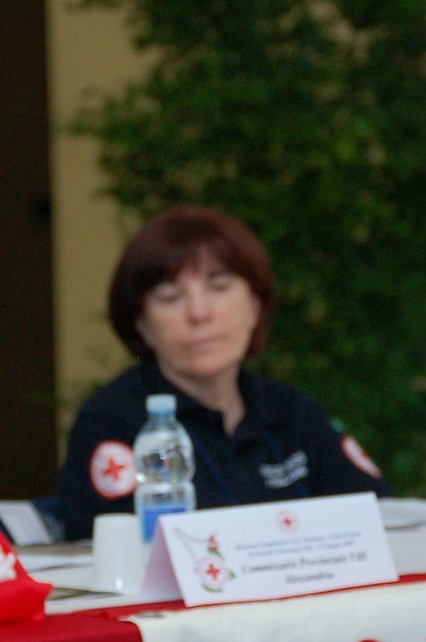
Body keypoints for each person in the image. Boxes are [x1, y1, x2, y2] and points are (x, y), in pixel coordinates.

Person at [53, 206, 389, 542]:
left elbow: (380, 521)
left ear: (255, 307)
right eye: (170, 297)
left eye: (219, 286)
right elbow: (119, 559)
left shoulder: (292, 414)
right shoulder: (115, 422)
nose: (199, 313)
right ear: (143, 325)